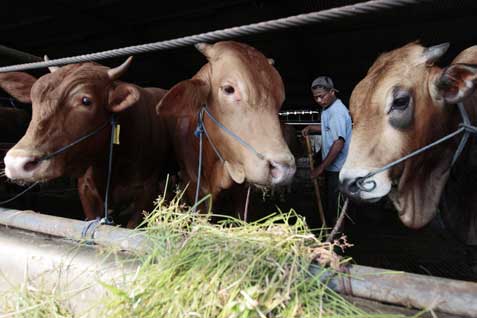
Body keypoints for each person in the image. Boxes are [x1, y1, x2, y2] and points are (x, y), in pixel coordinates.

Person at [302, 76, 352, 225]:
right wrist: (312, 128)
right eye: (316, 97)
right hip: (333, 168)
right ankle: (332, 235)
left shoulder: (337, 111)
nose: (318, 100)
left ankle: (337, 241)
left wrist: (320, 168)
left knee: (336, 207)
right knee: (331, 205)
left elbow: (339, 142)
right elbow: (329, 129)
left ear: (332, 92)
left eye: (321, 96)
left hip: (339, 169)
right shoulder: (328, 109)